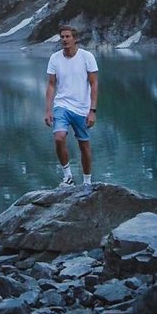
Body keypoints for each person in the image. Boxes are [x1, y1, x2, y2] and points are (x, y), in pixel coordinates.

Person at [44, 25, 99, 190]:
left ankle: (87, 181)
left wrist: (92, 111)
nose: (64, 40)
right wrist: (48, 110)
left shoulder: (86, 57)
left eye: (68, 36)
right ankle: (67, 176)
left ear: (75, 39)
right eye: (62, 37)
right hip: (62, 105)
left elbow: (94, 83)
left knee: (84, 145)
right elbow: (51, 85)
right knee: (59, 137)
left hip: (82, 108)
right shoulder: (55, 58)